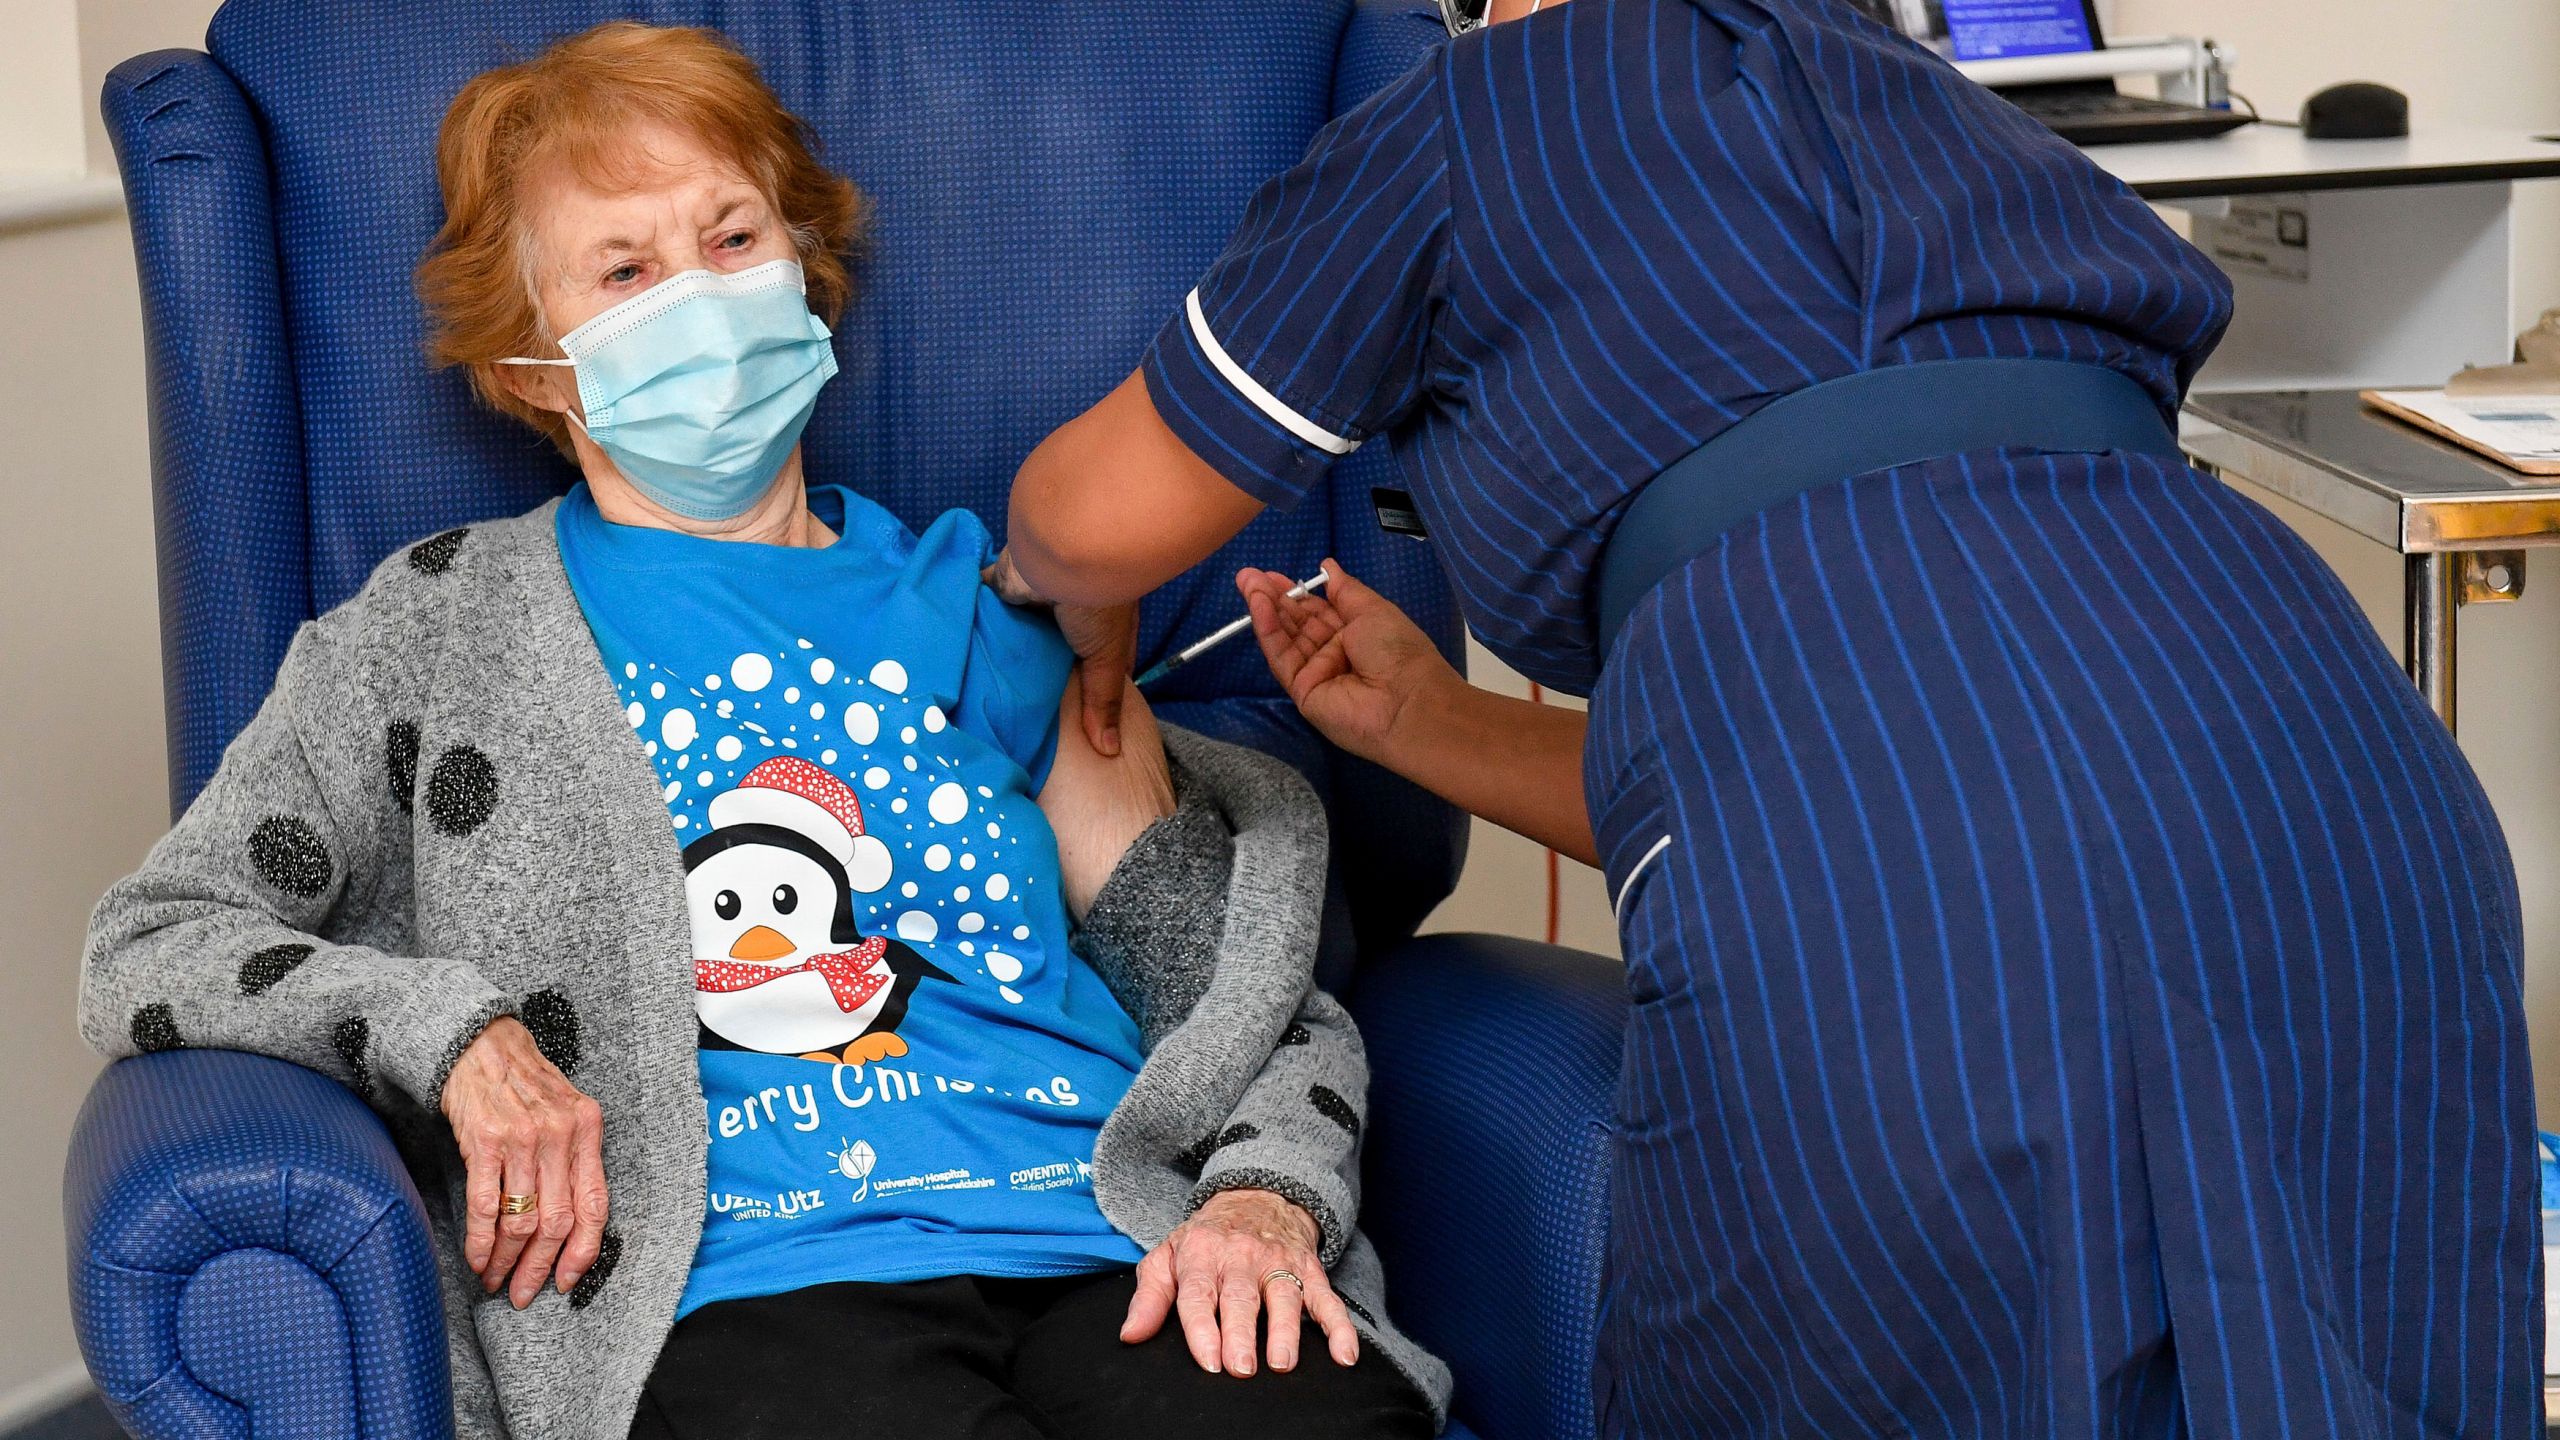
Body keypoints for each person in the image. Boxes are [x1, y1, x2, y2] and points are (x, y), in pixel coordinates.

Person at [994, 0, 2537, 1436]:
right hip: (2340, 782)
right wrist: (1433, 724)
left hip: (1904, 873)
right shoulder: (1949, 110)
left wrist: (1071, 588)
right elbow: (1961, 729)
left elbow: (1092, 513)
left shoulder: (1477, 113)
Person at [78, 22, 1446, 1440]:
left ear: (804, 270)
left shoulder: (993, 612)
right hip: (751, 1280)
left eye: (733, 237)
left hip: (1109, 1237)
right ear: (536, 363)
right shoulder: (434, 632)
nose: (700, 297)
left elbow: (1231, 996)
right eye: (625, 269)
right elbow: (156, 940)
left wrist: (1263, 1200)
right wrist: (457, 1035)